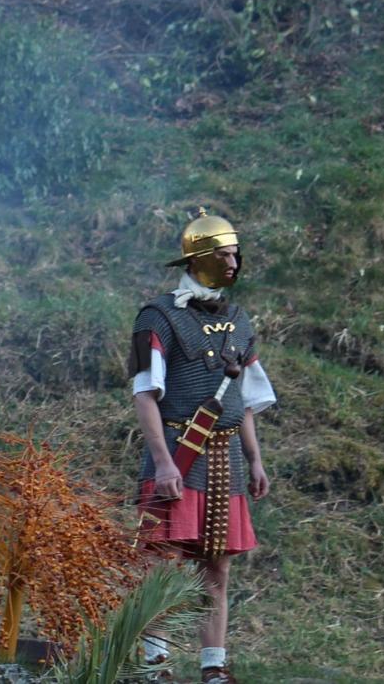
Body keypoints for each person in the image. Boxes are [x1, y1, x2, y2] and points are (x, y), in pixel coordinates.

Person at [131, 210, 273, 684]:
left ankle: (213, 665)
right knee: (162, 563)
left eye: (236, 254)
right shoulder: (158, 316)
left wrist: (254, 459)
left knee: (217, 567)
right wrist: (165, 462)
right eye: (225, 254)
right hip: (178, 452)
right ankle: (156, 662)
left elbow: (246, 400)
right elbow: (145, 395)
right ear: (200, 257)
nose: (234, 262)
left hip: (227, 458)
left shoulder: (238, 318)